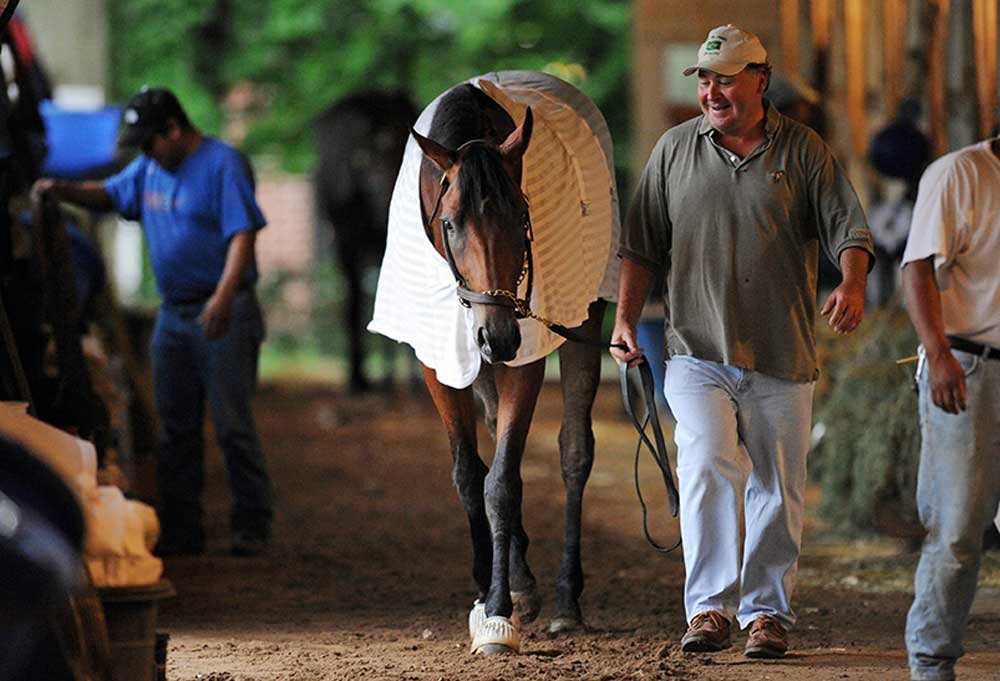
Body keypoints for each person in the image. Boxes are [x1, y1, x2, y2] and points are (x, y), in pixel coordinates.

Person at [610, 25, 873, 659]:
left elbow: (849, 229)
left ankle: (765, 615)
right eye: (704, 79)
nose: (712, 91)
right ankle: (708, 609)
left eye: (724, 78)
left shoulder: (804, 151)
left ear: (760, 79)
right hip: (695, 349)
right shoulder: (673, 151)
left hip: (782, 351)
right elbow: (641, 246)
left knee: (778, 488)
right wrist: (623, 320)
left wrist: (854, 283)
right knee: (705, 469)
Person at [31, 87, 273, 557]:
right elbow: (109, 194)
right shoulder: (150, 167)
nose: (145, 153)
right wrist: (59, 190)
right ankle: (184, 527)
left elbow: (242, 235)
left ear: (174, 130)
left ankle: (252, 523)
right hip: (175, 313)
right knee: (175, 426)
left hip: (223, 310)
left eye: (150, 142)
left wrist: (222, 299)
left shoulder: (223, 164)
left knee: (232, 423)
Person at [901, 137, 1000, 681]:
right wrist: (938, 355)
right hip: (970, 365)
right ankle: (932, 662)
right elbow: (916, 269)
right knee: (960, 526)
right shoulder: (960, 174)